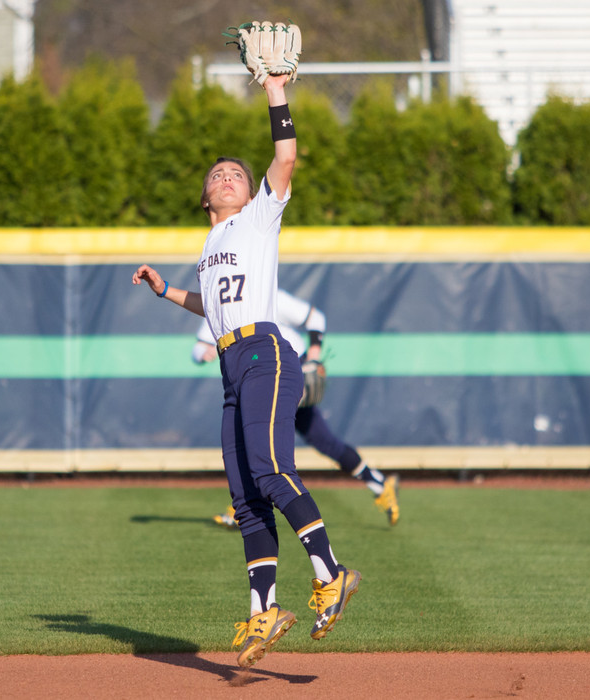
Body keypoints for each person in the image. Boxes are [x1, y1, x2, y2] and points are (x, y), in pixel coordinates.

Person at [132, 73, 360, 670]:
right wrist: (166, 292)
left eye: (236, 172)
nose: (229, 177)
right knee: (245, 497)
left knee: (270, 468)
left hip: (266, 355)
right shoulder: (210, 246)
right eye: (218, 175)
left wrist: (275, 92)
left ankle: (331, 574)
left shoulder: (259, 217)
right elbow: (213, 306)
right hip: (232, 365)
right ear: (206, 199)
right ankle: (266, 610)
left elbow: (285, 155)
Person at [191, 288, 400, 528]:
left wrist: (313, 355)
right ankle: (379, 484)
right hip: (253, 376)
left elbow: (316, 318)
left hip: (285, 369)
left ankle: (248, 507)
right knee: (321, 440)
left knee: (256, 437)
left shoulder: (264, 293)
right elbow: (198, 347)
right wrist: (203, 353)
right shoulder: (220, 301)